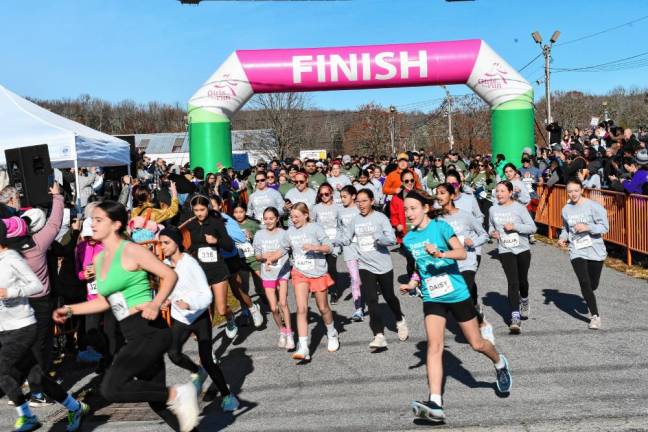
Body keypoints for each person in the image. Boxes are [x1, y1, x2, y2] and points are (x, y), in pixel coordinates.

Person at [52, 201, 200, 432]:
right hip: (132, 333)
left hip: (149, 330)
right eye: (93, 219)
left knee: (111, 388)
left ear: (116, 224)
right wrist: (71, 310)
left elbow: (169, 275)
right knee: (157, 402)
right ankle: (177, 402)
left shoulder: (131, 250)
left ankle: (178, 392)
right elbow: (104, 301)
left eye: (99, 219)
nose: (94, 223)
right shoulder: (100, 259)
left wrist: (155, 302)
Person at [400, 190, 511, 422]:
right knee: (434, 346)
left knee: (477, 343)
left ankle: (500, 363)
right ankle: (436, 403)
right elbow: (419, 267)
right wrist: (412, 283)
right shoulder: (409, 239)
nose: (408, 213)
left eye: (413, 208)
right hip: (432, 297)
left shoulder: (440, 228)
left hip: (457, 293)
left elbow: (461, 253)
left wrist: (440, 252)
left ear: (425, 208)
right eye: (406, 209)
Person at [0, 220, 89, 432]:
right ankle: (75, 407)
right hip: (4, 328)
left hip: (23, 327)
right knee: (36, 376)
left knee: (2, 371)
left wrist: (11, 292)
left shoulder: (11, 258)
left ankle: (27, 416)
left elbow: (36, 285)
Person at [159, 227, 240, 412]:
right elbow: (171, 288)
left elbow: (206, 295)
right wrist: (166, 300)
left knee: (208, 360)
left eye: (166, 243)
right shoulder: (165, 264)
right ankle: (197, 372)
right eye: (161, 243)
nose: (162, 247)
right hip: (180, 318)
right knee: (173, 353)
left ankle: (228, 396)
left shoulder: (190, 264)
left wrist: (189, 303)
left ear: (177, 243)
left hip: (199, 316)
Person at [338, 189, 408, 349]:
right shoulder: (355, 220)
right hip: (364, 265)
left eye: (364, 201)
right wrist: (330, 243)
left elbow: (391, 240)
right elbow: (346, 238)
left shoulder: (380, 218)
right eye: (358, 202)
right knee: (371, 300)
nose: (361, 205)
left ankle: (400, 319)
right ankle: (379, 335)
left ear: (371, 201)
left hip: (383, 265)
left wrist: (379, 239)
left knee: (389, 297)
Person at [435, 183, 494, 343]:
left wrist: (472, 242)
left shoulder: (466, 216)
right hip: (449, 264)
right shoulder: (437, 219)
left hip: (467, 261)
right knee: (461, 299)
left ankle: (480, 325)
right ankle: (477, 319)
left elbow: (484, 235)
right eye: (437, 193)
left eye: (442, 193)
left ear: (452, 196)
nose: (439, 196)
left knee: (464, 292)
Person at [286, 202, 339, 361]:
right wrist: (270, 258)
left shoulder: (315, 228)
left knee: (323, 307)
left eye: (296, 216)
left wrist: (315, 247)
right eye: (291, 217)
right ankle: (303, 347)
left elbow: (329, 247)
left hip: (317, 273)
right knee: (302, 308)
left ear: (306, 215)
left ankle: (331, 332)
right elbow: (283, 248)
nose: (293, 220)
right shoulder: (289, 232)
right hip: (300, 273)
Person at [184, 195, 240, 338]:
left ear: (208, 208)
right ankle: (207, 346)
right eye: (196, 210)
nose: (199, 213)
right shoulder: (191, 225)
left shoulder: (217, 223)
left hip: (217, 270)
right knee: (204, 309)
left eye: (202, 209)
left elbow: (229, 246)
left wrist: (216, 241)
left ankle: (230, 317)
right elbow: (190, 246)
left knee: (221, 309)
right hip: (200, 272)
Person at [558, 179, 609, 330]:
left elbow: (604, 227)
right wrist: (562, 238)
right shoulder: (566, 209)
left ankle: (588, 294)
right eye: (570, 191)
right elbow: (566, 228)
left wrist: (587, 227)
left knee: (592, 284)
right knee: (584, 282)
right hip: (577, 249)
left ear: (581, 190)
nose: (573, 194)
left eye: (575, 190)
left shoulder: (593, 206)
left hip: (595, 250)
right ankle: (595, 316)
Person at [488, 181, 537, 334]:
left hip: (522, 249)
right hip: (505, 249)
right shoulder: (493, 209)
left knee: (523, 282)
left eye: (502, 191)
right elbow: (490, 226)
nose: (499, 194)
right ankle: (515, 317)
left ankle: (524, 299)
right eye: (497, 191)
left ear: (510, 192)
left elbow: (532, 227)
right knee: (513, 282)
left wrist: (515, 227)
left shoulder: (519, 208)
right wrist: (492, 233)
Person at [253, 207, 294, 350]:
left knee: (283, 303)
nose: (268, 221)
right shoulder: (259, 234)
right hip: (267, 273)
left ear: (277, 219)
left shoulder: (284, 233)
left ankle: (290, 333)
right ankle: (282, 331)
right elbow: (257, 255)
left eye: (271, 218)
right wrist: (266, 256)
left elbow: (287, 249)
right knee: (273, 307)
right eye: (266, 219)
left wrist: (277, 255)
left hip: (282, 272)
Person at [311, 183, 342, 304]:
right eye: (322, 194)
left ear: (331, 193)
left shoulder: (338, 207)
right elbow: (312, 224)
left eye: (327, 194)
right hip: (320, 242)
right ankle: (317, 288)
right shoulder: (316, 208)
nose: (324, 196)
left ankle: (334, 291)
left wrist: (339, 241)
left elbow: (341, 225)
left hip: (333, 242)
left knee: (331, 267)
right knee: (319, 266)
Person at [337, 185, 364, 321]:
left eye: (344, 196)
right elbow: (339, 229)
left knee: (364, 277)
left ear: (353, 196)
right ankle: (358, 309)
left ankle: (368, 299)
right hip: (349, 249)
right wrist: (338, 244)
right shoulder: (340, 211)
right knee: (355, 278)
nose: (342, 199)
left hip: (364, 248)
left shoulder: (360, 209)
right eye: (341, 197)